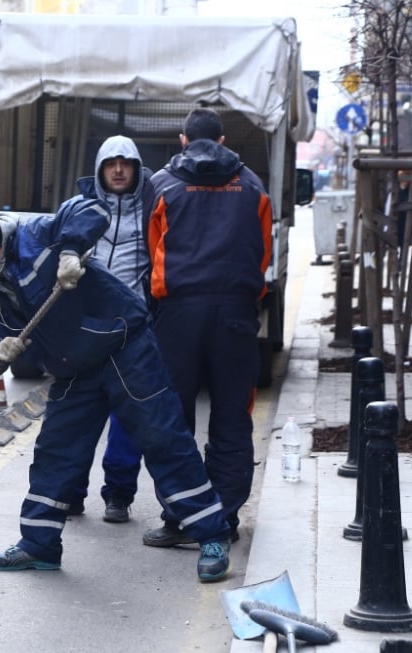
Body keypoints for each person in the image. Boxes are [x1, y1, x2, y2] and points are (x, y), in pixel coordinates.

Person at [0, 207, 233, 582]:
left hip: (122, 347)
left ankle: (212, 535)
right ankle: (39, 545)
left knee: (162, 437)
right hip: (73, 367)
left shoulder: (38, 235)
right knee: (55, 453)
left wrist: (70, 250)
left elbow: (90, 208)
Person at [142, 107, 270, 550]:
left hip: (178, 315)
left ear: (183, 140)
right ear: (222, 140)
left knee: (174, 420)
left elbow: (151, 249)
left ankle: (181, 516)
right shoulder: (252, 185)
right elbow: (263, 253)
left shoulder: (161, 185)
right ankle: (226, 517)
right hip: (235, 313)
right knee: (233, 417)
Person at [67, 135, 157, 523]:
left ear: (136, 169)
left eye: (126, 163)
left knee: (127, 420)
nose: (118, 170)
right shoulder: (80, 211)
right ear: (100, 169)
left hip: (132, 332)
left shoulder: (153, 209)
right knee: (78, 415)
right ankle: (68, 493)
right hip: (86, 330)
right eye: (110, 163)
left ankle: (118, 494)